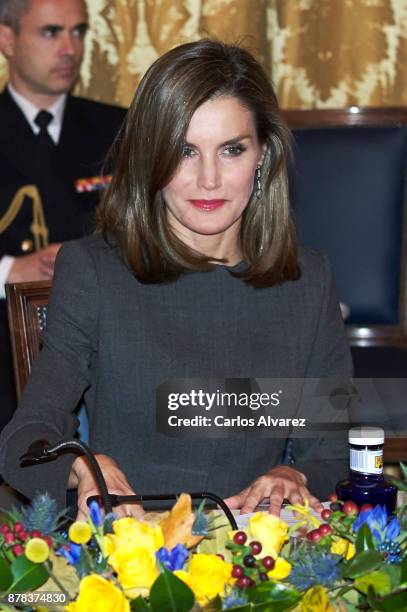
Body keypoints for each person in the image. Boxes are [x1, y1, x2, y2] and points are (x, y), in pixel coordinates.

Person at [0, 40, 353, 519]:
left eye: (231, 150)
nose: (209, 180)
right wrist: (83, 466)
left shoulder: (307, 280)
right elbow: (26, 440)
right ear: (151, 157)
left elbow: (329, 454)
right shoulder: (94, 271)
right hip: (131, 557)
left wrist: (294, 476)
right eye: (185, 151)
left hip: (258, 558)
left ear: (263, 155)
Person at [0, 0, 126, 432]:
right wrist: (12, 269)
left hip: (111, 337)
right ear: (6, 38)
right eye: (51, 32)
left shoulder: (119, 129)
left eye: (79, 32)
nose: (70, 48)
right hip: (9, 341)